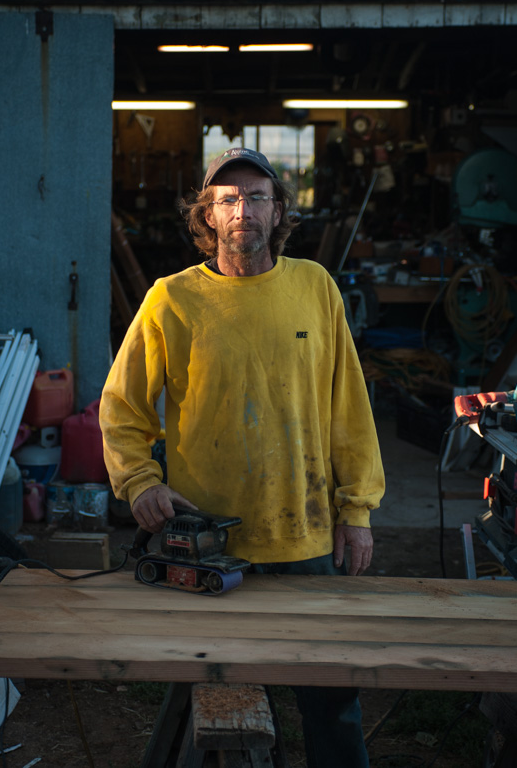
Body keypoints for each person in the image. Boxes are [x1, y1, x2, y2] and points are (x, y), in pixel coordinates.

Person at [99, 147, 385, 768]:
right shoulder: (170, 300)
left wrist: (356, 510)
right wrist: (140, 480)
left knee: (331, 700)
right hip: (206, 541)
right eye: (227, 200)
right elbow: (121, 407)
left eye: (256, 197)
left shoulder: (315, 287)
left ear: (278, 210)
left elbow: (349, 410)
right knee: (217, 704)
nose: (242, 211)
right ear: (207, 215)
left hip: (304, 537)